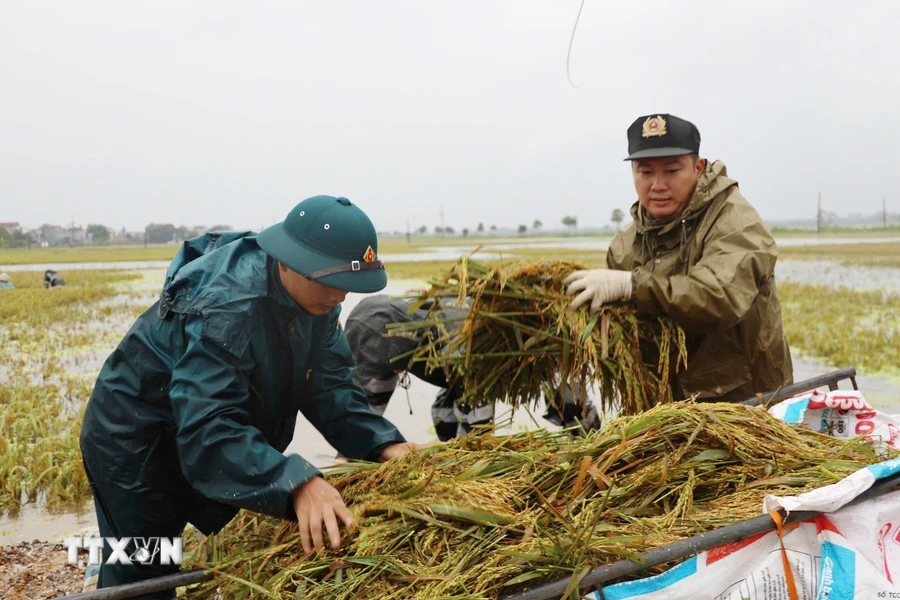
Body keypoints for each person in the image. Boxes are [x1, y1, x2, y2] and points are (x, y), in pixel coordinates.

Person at [79, 196, 418, 597]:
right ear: (289, 260)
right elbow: (208, 426)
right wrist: (295, 483)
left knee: (160, 564)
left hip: (198, 426)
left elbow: (330, 387)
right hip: (136, 437)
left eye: (348, 285)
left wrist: (384, 443)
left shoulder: (317, 298)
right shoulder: (228, 306)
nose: (340, 297)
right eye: (333, 283)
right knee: (143, 572)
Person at [565, 114, 793, 403]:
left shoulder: (735, 221)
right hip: (660, 413)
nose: (657, 185)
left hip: (744, 404)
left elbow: (718, 297)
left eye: (672, 171)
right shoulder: (625, 244)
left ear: (698, 168)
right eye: (645, 173)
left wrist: (632, 287)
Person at [345, 294, 601, 439]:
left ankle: (594, 446)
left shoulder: (457, 342)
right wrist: (349, 453)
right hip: (456, 361)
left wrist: (467, 468)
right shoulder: (379, 333)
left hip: (530, 347)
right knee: (444, 413)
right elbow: (366, 412)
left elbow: (478, 427)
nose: (393, 375)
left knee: (568, 403)